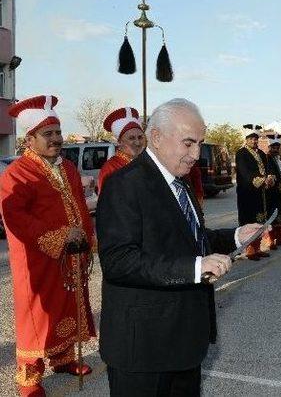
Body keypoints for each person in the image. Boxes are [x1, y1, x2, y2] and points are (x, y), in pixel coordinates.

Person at [97, 98, 263, 397]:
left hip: (184, 343)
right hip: (144, 350)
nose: (196, 154)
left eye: (200, 143)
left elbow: (191, 238)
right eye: (188, 143)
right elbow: (119, 261)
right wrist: (194, 267)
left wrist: (236, 237)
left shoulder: (179, 181)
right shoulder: (124, 184)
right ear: (157, 137)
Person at [0, 95, 96, 397]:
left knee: (67, 305)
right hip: (38, 259)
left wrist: (86, 235)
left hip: (70, 256)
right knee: (36, 317)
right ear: (30, 138)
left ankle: (64, 358)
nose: (56, 139)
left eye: (58, 132)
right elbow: (14, 216)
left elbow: (80, 205)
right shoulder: (17, 173)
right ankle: (28, 380)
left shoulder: (67, 167)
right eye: (48, 134)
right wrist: (57, 236)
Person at [235, 124, 274, 260]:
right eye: (251, 138)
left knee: (261, 221)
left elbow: (268, 169)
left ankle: (257, 248)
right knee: (250, 221)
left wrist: (269, 177)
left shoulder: (262, 153)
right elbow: (245, 173)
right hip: (248, 193)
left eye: (256, 138)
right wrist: (261, 181)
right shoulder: (241, 153)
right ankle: (250, 250)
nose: (254, 141)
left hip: (261, 193)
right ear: (246, 139)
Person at [97, 106, 145, 194]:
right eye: (131, 138)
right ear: (119, 141)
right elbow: (108, 203)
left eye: (140, 137)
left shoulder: (146, 163)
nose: (137, 143)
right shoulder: (110, 168)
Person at [263, 133, 281, 249]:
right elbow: (269, 174)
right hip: (273, 192)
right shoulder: (267, 158)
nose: (276, 150)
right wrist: (278, 184)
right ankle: (270, 240)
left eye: (277, 148)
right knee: (273, 216)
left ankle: (280, 238)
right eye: (273, 148)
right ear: (270, 148)